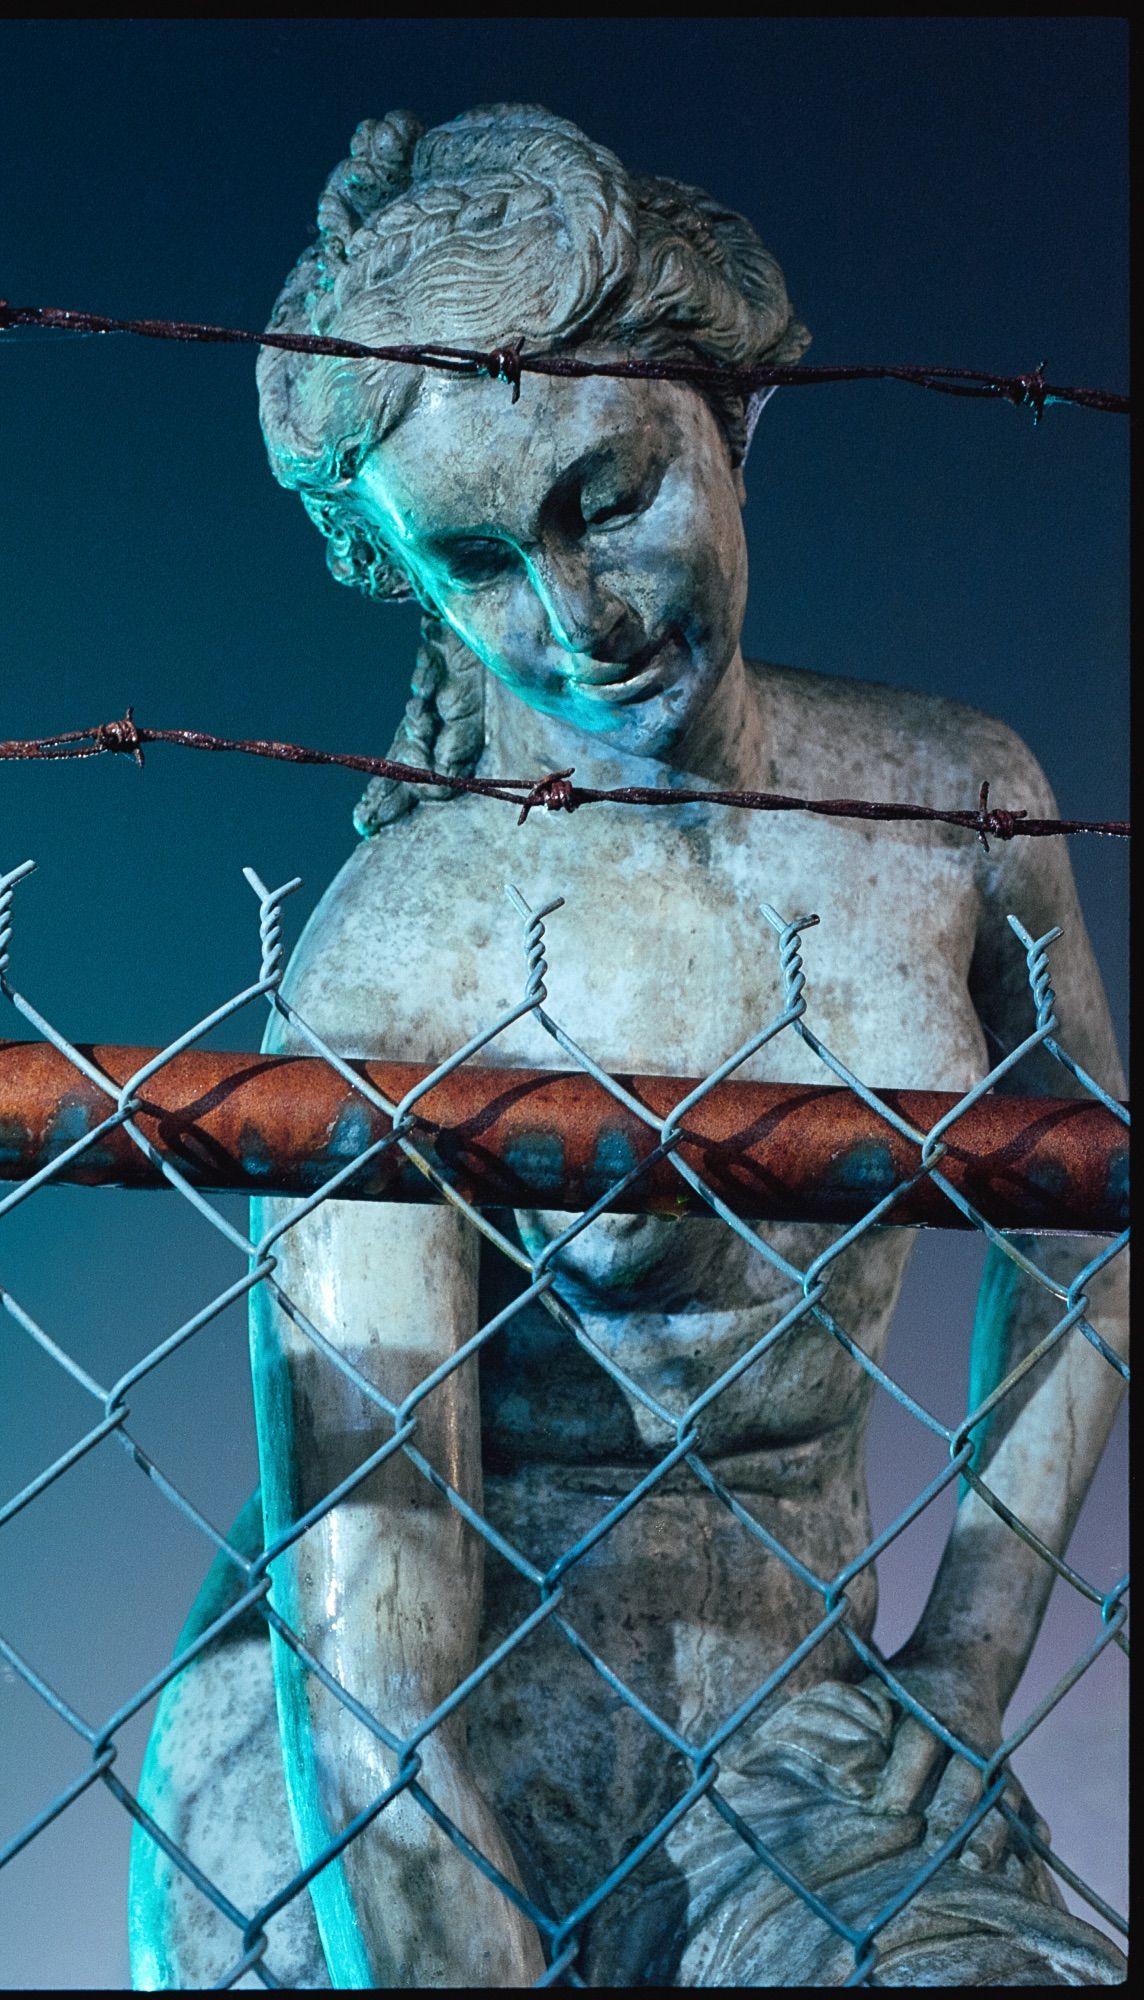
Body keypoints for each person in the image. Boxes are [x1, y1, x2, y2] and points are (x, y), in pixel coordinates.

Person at [129, 105, 1126, 1987]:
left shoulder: (959, 807)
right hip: (380, 1750)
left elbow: (1096, 1209)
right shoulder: (405, 952)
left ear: (733, 417)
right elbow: (377, 1657)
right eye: (480, 563)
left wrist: (974, 1659)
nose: (576, 622)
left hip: (797, 1730)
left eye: (609, 492)